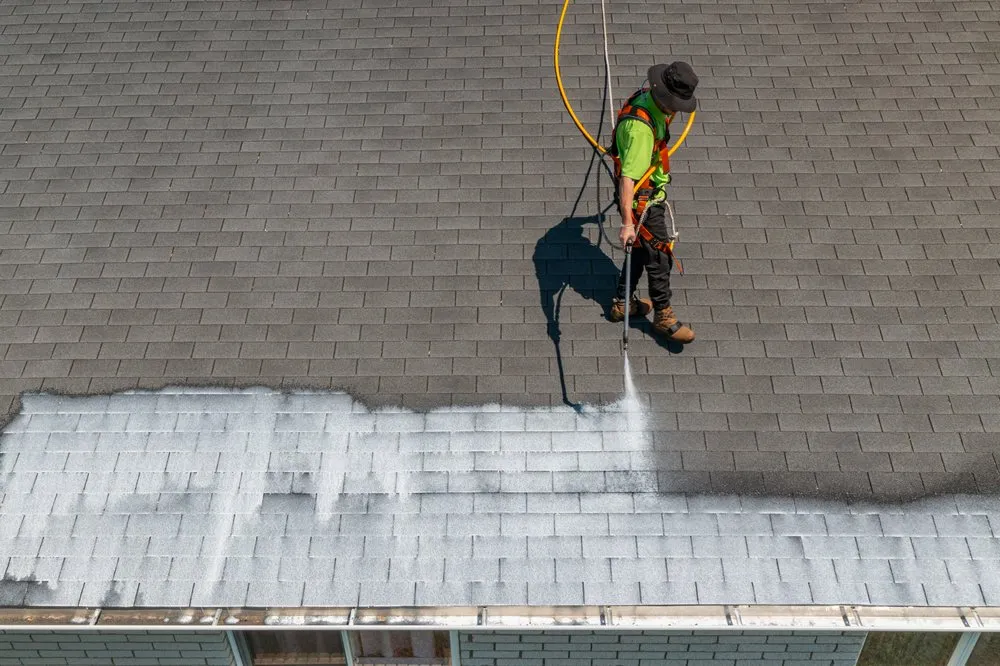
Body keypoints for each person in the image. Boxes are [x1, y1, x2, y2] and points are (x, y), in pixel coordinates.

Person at [609, 61, 698, 344]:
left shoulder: (647, 99)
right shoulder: (640, 131)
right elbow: (628, 179)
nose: (676, 110)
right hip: (642, 200)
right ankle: (663, 316)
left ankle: (622, 303)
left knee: (638, 249)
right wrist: (627, 222)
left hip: (645, 193)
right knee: (659, 256)